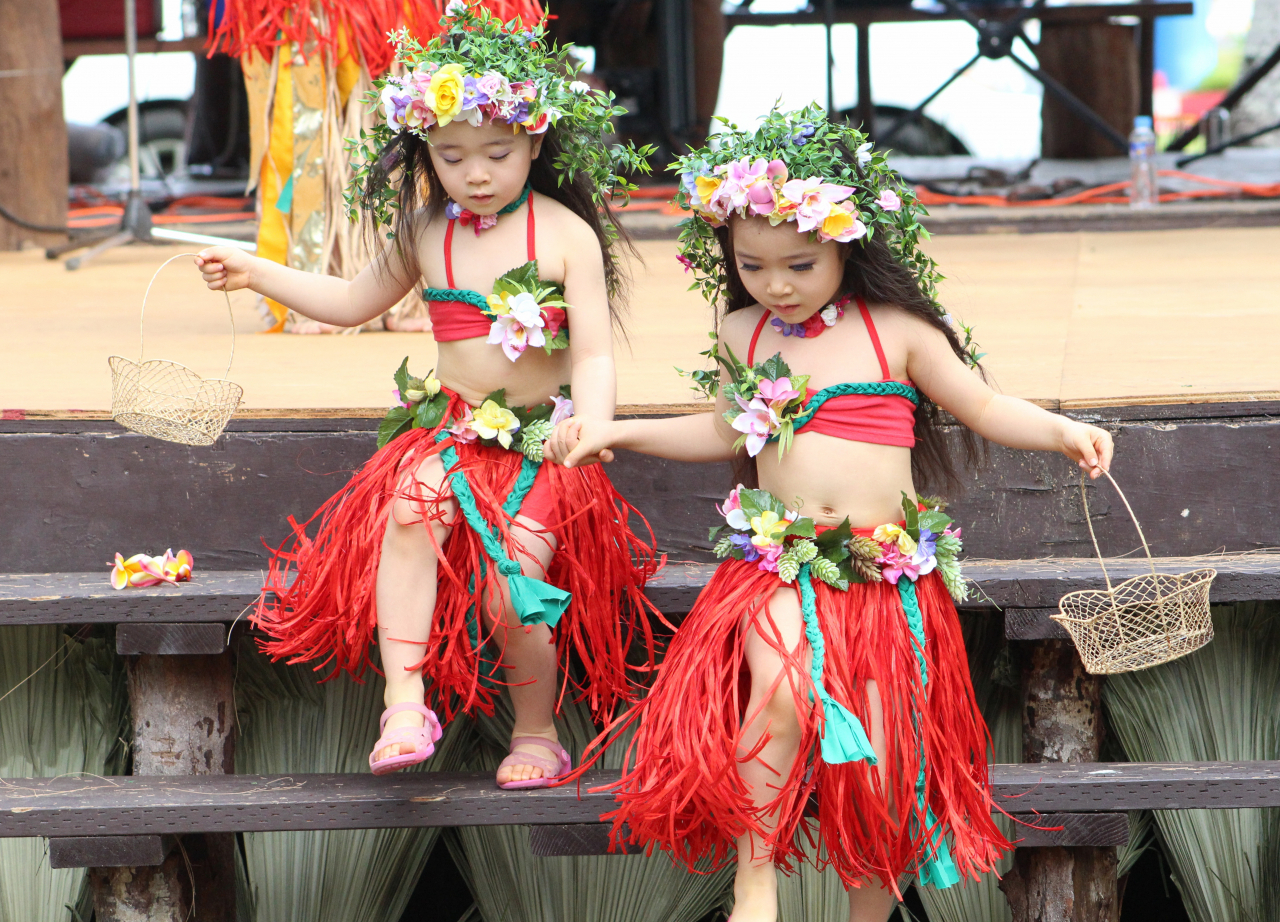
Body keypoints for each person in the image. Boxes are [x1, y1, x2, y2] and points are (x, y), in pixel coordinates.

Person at [549, 105, 1114, 921]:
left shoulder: (899, 333)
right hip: (779, 562)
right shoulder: (744, 332)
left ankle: (867, 911)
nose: (775, 284)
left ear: (845, 241)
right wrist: (617, 429)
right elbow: (722, 429)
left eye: (798, 264)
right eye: (753, 265)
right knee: (777, 691)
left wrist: (1061, 429)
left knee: (880, 760)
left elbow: (984, 407)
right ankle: (754, 882)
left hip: (883, 578)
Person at [193, 5, 661, 787]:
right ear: (426, 153)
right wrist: (256, 270)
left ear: (535, 142)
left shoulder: (566, 235)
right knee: (410, 510)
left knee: (514, 579)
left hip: (545, 443)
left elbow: (594, 354)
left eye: (497, 153)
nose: (475, 173)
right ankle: (404, 699)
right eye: (451, 156)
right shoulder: (426, 232)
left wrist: (597, 425)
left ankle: (537, 731)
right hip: (453, 431)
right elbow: (350, 300)